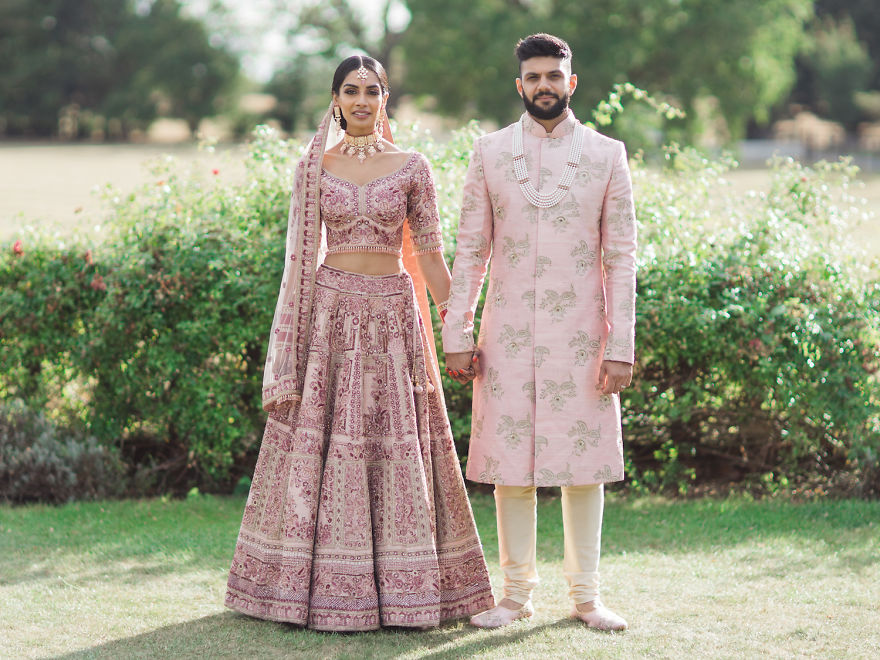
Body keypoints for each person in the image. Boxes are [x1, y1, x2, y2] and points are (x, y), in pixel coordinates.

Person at [225, 55, 494, 632]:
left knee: (396, 447)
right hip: (329, 321)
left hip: (395, 320)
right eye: (351, 91)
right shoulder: (312, 169)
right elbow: (298, 258)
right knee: (328, 450)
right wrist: (291, 352)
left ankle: (408, 588)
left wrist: (460, 326)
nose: (362, 100)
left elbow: (429, 256)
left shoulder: (413, 167)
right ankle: (309, 589)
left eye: (373, 90)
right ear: (335, 100)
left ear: (386, 98)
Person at [442, 33, 636, 631]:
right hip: (507, 339)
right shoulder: (490, 153)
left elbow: (623, 257)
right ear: (519, 84)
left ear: (571, 83)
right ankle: (514, 596)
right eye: (534, 77)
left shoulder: (607, 154)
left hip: (582, 338)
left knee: (584, 471)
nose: (544, 86)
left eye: (555, 76)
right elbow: (471, 249)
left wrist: (620, 345)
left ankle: (586, 599)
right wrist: (457, 329)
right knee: (511, 472)